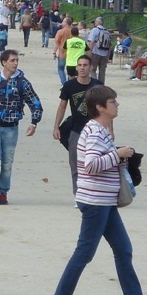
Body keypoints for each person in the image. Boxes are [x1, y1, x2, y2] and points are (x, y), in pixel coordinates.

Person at [48, 85, 147, 295]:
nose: (117, 105)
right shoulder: (96, 131)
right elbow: (91, 165)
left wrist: (120, 157)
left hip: (103, 201)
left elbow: (99, 160)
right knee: (85, 252)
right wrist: (117, 155)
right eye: (113, 102)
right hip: (95, 201)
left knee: (123, 249)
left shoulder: (100, 130)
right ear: (100, 107)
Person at [0, 49, 43, 205]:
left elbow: (35, 103)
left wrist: (34, 122)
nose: (15, 63)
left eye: (16, 60)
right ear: (3, 62)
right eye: (12, 60)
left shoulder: (22, 82)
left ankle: (3, 192)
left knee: (7, 162)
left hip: (11, 128)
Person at [41, 54, 102, 194]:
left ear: (91, 67)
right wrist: (56, 127)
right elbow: (62, 106)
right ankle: (78, 193)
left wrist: (110, 130)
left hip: (95, 130)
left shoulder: (98, 86)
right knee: (75, 164)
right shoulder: (69, 86)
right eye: (79, 65)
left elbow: (105, 110)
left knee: (95, 162)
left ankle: (93, 191)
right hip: (76, 129)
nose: (82, 68)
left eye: (85, 65)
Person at [87, 17, 112, 82]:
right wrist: (108, 56)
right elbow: (109, 45)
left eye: (95, 21)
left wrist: (89, 52)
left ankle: (95, 84)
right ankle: (101, 85)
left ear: (98, 22)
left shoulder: (95, 30)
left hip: (96, 53)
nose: (95, 23)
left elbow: (91, 42)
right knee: (102, 71)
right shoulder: (107, 31)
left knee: (93, 70)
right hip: (105, 54)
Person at [53, 15, 73, 86]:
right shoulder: (74, 31)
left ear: (66, 23)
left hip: (62, 53)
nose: (62, 23)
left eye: (63, 22)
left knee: (61, 69)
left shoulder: (60, 32)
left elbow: (56, 43)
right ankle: (70, 83)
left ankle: (64, 83)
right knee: (70, 70)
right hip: (71, 54)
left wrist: (54, 52)